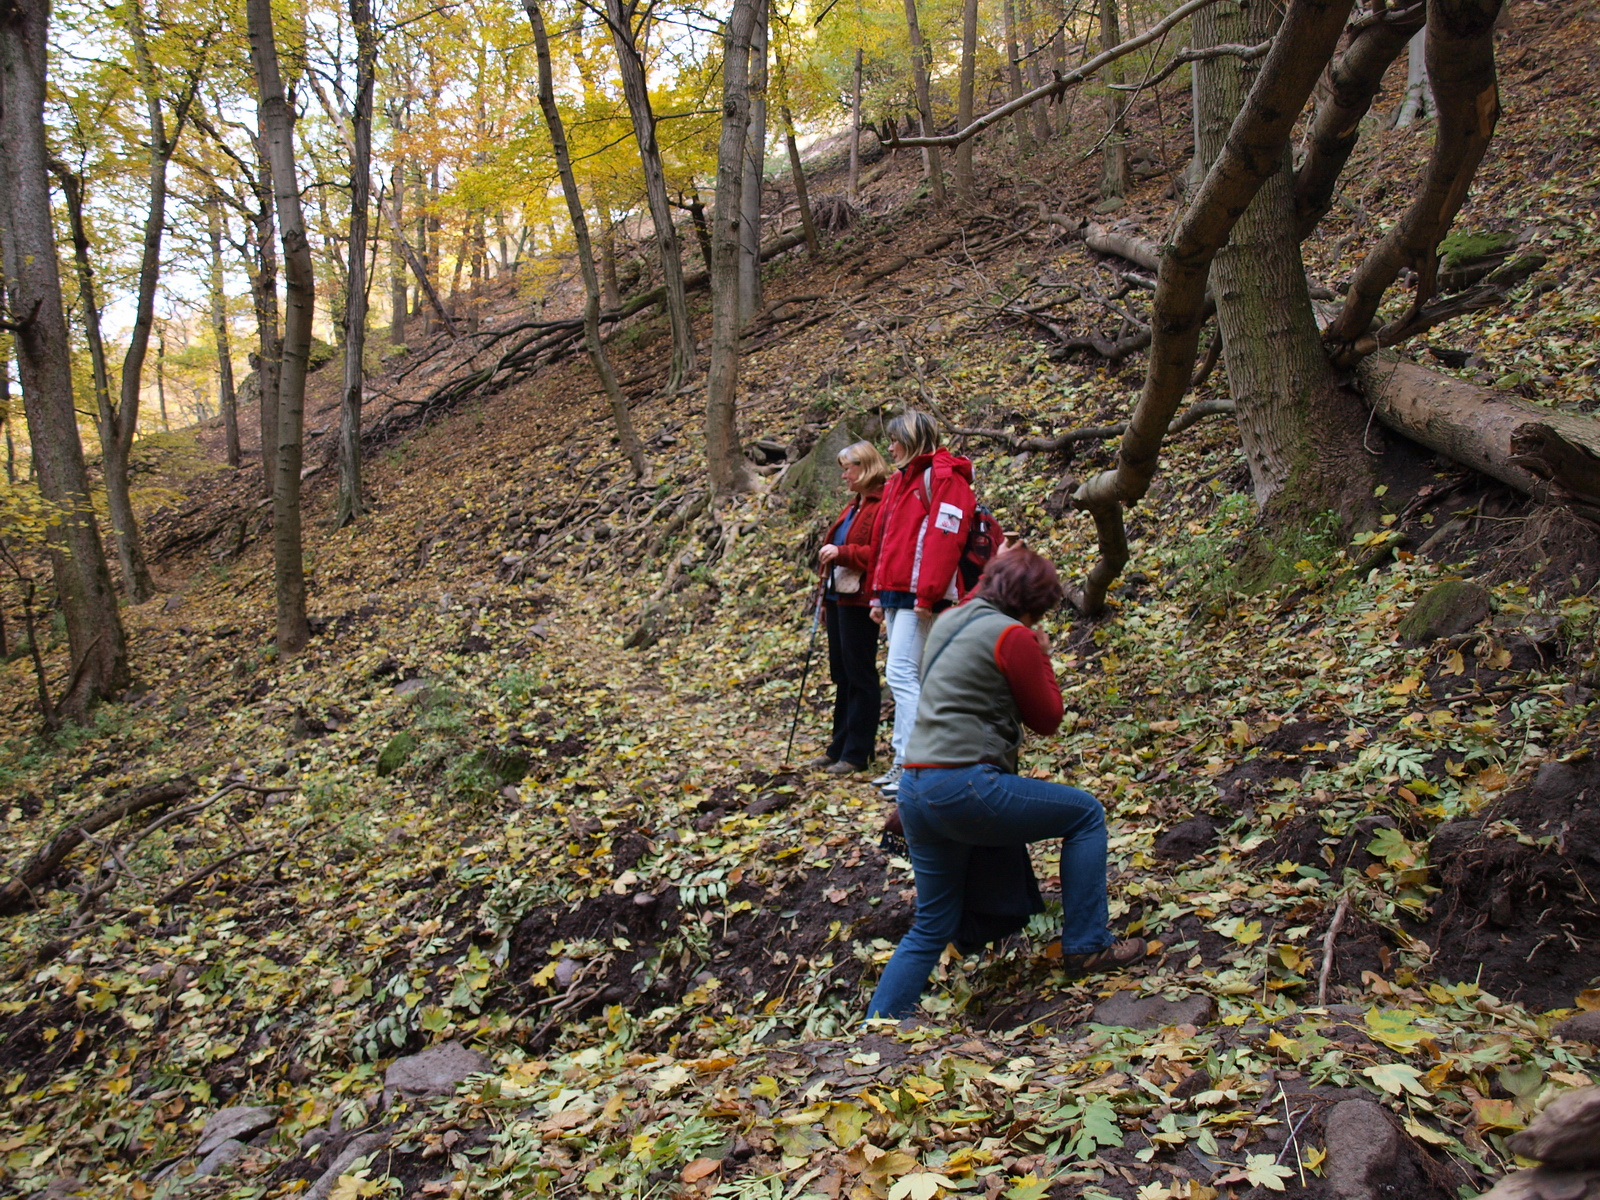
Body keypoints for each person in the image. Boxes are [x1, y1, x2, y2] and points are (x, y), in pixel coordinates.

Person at [866, 547, 1146, 1019]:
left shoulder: (951, 620)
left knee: (932, 922)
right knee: (1085, 814)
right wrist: (1043, 654)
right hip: (966, 787)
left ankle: (880, 1025)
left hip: (915, 790)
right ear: (1033, 603)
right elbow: (1048, 718)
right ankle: (1088, 944)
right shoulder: (1013, 636)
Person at [867, 410, 975, 798]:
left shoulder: (945, 478)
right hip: (898, 593)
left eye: (896, 439)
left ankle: (912, 766)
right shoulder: (900, 481)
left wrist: (927, 595)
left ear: (914, 439)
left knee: (901, 675)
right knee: (903, 677)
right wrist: (878, 594)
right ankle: (903, 763)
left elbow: (945, 540)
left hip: (919, 595)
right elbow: (887, 539)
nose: (890, 447)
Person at [805, 441, 890, 776]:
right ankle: (839, 747)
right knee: (842, 674)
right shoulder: (854, 506)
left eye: (848, 468)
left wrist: (842, 554)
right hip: (839, 596)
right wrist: (824, 599)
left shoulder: (881, 505)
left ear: (865, 466)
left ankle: (857, 752)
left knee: (860, 674)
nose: (843, 476)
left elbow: (879, 553)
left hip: (860, 598)